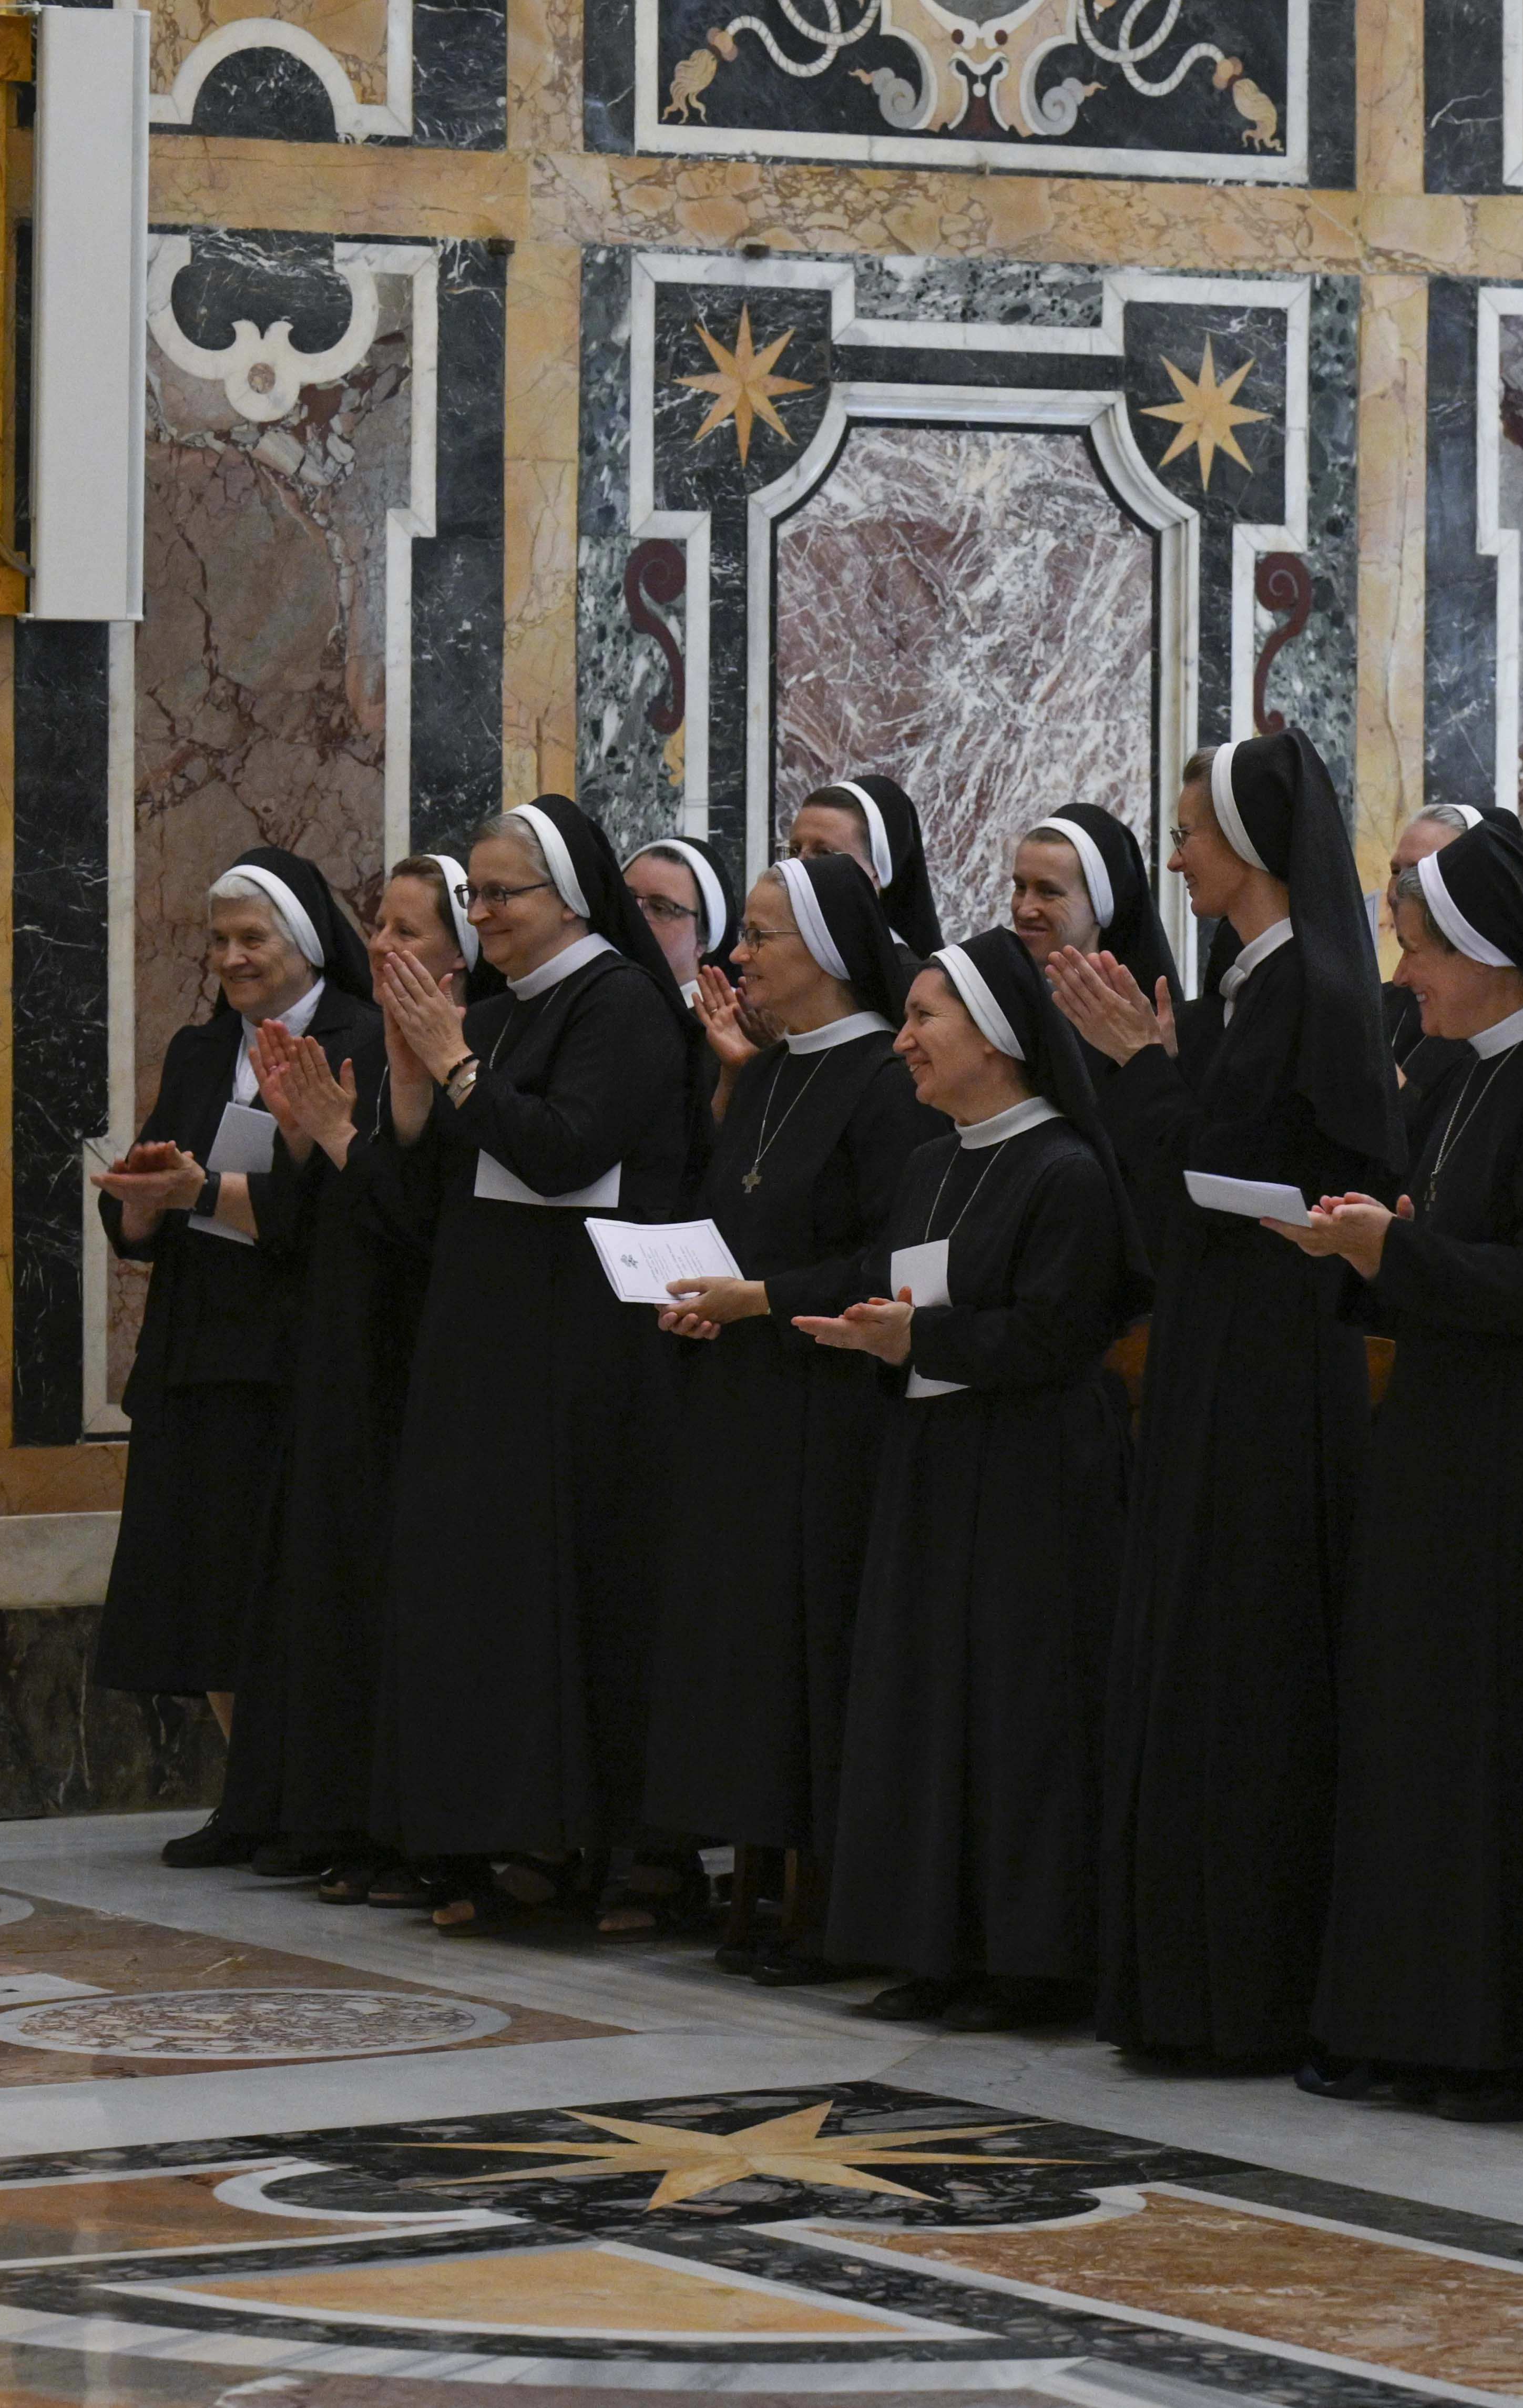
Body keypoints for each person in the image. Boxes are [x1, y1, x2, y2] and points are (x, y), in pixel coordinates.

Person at [1282, 815, 1523, 2120]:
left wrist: (1392, 1259)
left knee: (1521, 1747)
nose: (1403, 982)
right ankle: (1421, 2025)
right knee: (1428, 1742)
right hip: (1450, 1453)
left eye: (1421, 955)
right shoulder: (1458, 1073)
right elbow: (1453, 1253)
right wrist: (1378, 1251)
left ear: (1492, 954)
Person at [1047, 732, 1404, 2065]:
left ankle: (1242, 1990)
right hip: (1216, 1347)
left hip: (1272, 1364)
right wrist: (1150, 1065)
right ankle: (1183, 1981)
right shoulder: (1248, 987)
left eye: (1192, 831)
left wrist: (1142, 1067)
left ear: (1251, 844)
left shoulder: (1311, 985)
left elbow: (1251, 1173)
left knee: (1245, 1660)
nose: (1178, 852)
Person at [362, 797, 708, 1935]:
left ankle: (639, 1855)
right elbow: (422, 1206)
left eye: (498, 894)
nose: (481, 915)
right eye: (473, 895)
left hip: (589, 1354)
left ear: (568, 898)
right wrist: (415, 1085)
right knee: (500, 1603)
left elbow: (564, 1152)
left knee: (598, 1602)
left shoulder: (620, 1007)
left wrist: (455, 1066)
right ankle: (529, 1835)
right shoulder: (505, 1013)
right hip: (491, 1347)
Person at [808, 929, 1146, 2029]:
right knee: (923, 1707)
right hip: (934, 1468)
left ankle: (1031, 1960)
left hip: (1034, 1483)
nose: (902, 1039)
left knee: (1016, 1720)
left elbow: (1057, 1335)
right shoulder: (927, 1162)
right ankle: (934, 1942)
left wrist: (918, 1342)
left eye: (924, 1018)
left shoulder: (1067, 1169)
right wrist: (879, 1339)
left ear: (996, 1037)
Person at [645, 855, 936, 1975]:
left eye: (762, 936)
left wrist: (757, 1300)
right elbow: (737, 1223)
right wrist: (702, 1305)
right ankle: (756, 1878)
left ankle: (827, 1901)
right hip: (746, 1404)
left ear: (823, 951)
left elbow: (888, 1256)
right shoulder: (764, 1075)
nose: (741, 955)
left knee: (813, 1651)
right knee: (746, 1653)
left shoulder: (886, 1079)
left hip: (833, 1409)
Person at [87, 854, 378, 1870]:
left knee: (287, 1586)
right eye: (218, 941)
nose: (231, 958)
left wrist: (198, 1196)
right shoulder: (203, 1046)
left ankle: (308, 1801)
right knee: (209, 1582)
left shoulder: (361, 1039)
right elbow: (155, 1186)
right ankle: (246, 1794)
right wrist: (138, 1196)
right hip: (201, 1339)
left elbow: (342, 1210)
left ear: (304, 940)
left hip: (302, 1346)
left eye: (252, 939)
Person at [234, 855, 477, 1905]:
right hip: (340, 1354)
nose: (383, 946)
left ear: (463, 954)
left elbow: (424, 1226)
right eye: (377, 925)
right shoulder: (362, 1047)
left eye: (411, 931)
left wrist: (339, 1137)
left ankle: (403, 1828)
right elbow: (309, 1229)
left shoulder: (474, 1053)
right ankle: (334, 1812)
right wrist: (301, 1138)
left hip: (417, 1363)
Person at [1008, 804, 1178, 1084]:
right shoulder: (997, 997)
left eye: (1049, 892)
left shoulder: (1139, 1025)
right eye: (1020, 887)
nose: (1025, 910)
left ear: (1100, 904)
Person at [1382, 801, 1488, 1115]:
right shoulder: (1382, 1000)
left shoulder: (1486, 1020)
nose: (1396, 891)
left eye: (1418, 872)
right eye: (1395, 872)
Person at [789, 774, 946, 950]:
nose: (798, 865)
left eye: (824, 853)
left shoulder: (900, 971)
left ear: (876, 874)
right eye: (794, 851)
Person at [627, 837, 734, 999]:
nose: (633, 916)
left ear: (702, 940)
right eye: (626, 898)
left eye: (660, 908)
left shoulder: (727, 1021)